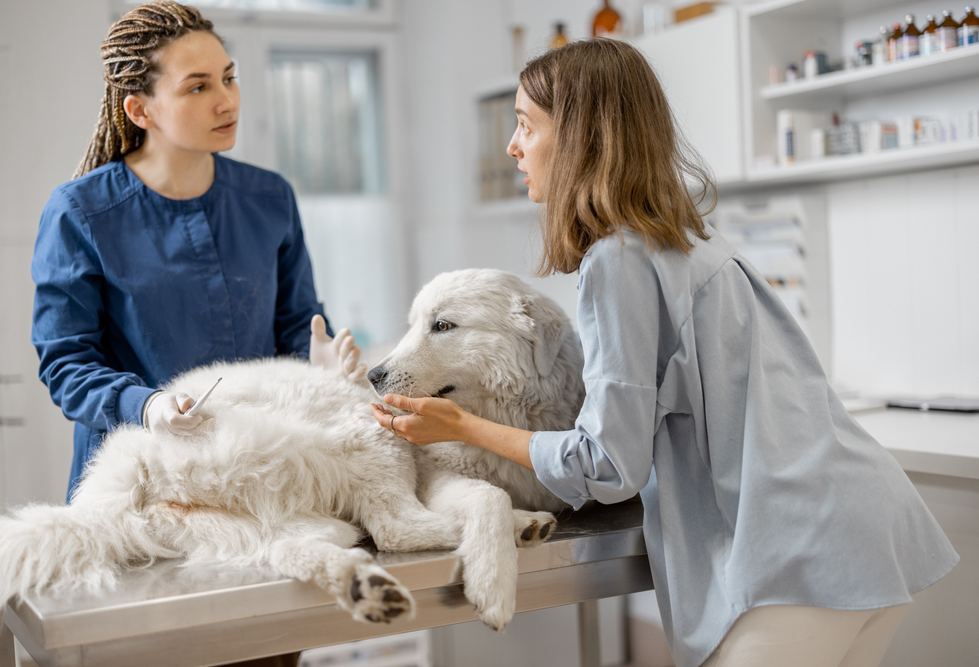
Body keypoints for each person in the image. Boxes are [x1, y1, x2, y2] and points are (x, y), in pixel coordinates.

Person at [371, 39, 959, 667]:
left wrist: (463, 428)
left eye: (525, 125)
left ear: (580, 139)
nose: (513, 147)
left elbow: (605, 464)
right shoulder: (689, 239)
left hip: (799, 556)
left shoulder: (617, 261)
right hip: (866, 521)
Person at [31, 4, 360, 665]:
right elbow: (67, 363)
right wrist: (147, 404)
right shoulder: (81, 212)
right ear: (140, 110)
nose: (226, 99)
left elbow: (298, 322)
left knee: (264, 653)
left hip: (260, 493)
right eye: (198, 86)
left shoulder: (270, 198)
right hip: (141, 499)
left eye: (229, 78)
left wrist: (318, 363)